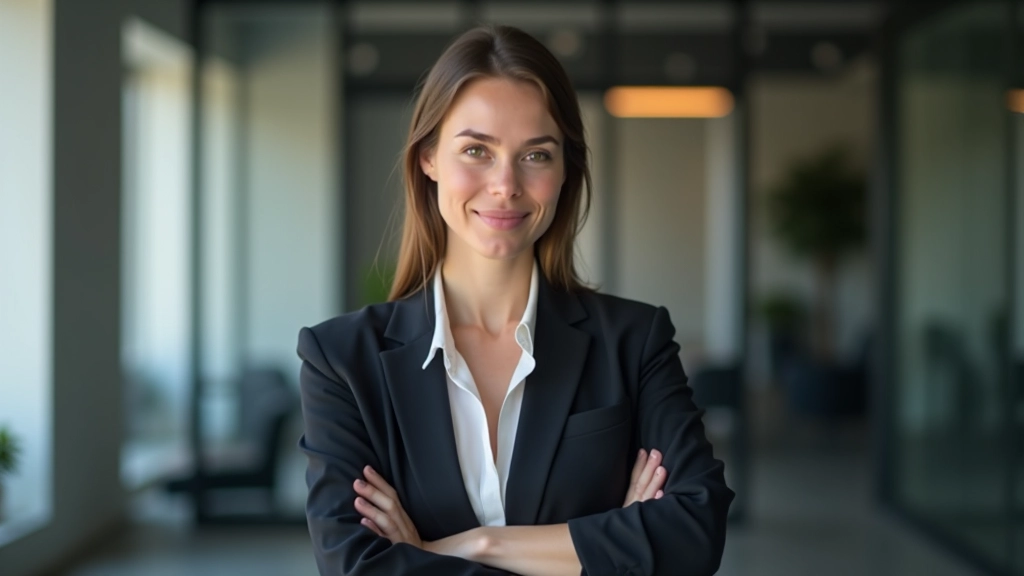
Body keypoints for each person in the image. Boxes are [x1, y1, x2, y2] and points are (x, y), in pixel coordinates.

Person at [296, 25, 734, 576]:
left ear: (565, 169)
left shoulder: (633, 341)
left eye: (536, 154)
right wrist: (606, 550)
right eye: (476, 150)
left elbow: (694, 533)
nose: (505, 185)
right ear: (428, 158)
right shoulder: (341, 359)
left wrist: (469, 546)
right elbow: (356, 566)